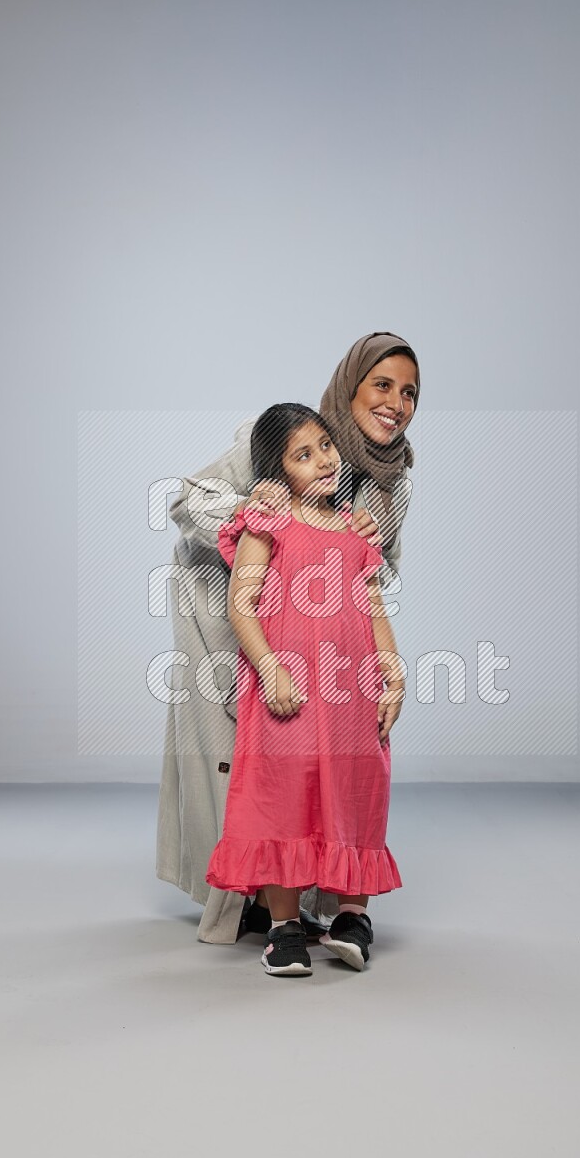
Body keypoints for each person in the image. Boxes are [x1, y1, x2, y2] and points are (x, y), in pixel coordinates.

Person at [156, 331, 420, 943]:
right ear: (349, 387)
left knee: (322, 766)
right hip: (228, 608)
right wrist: (261, 510)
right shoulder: (282, 432)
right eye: (381, 385)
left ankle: (324, 904)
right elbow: (187, 502)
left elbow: (376, 573)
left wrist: (356, 540)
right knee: (245, 765)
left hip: (324, 634)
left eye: (409, 392)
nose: (396, 403)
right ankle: (249, 904)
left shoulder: (392, 482)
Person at [206, 403, 406, 975]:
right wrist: (270, 667)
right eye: (303, 454)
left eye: (325, 445)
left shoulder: (355, 530)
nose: (323, 460)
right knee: (282, 796)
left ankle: (353, 918)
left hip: (352, 692)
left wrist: (393, 673)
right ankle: (284, 926)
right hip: (287, 689)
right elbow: (241, 604)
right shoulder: (267, 523)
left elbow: (373, 606)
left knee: (355, 790)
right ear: (278, 471)